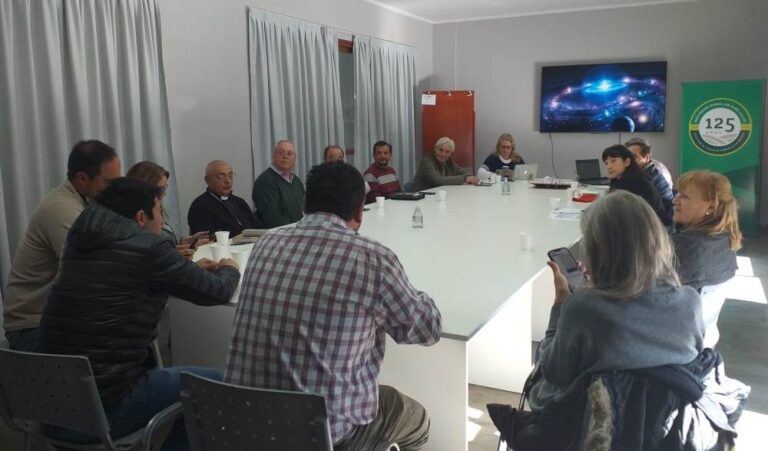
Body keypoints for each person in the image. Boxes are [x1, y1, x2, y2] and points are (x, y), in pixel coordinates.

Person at [226, 161, 442, 450]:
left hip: (245, 428)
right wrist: (420, 295)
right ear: (359, 211)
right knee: (416, 418)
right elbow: (427, 329)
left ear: (304, 203)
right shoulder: (372, 259)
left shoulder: (265, 243)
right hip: (320, 437)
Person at [36, 177, 241, 450]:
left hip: (48, 404)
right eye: (159, 212)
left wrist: (181, 270)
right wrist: (230, 268)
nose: (162, 220)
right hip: (102, 409)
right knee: (215, 387)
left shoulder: (80, 240)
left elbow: (125, 281)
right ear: (141, 217)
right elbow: (216, 291)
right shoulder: (149, 248)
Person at [528, 190, 704, 411]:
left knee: (543, 352)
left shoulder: (582, 308)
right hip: (662, 419)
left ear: (596, 248)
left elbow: (554, 371)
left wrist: (560, 305)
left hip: (592, 422)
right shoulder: (690, 301)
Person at [3, 140, 121, 351]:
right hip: (34, 326)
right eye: (109, 183)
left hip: (54, 321)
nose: (115, 191)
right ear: (82, 179)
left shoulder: (85, 203)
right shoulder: (62, 209)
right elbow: (94, 269)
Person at [672, 170, 740, 292]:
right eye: (677, 194)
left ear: (710, 207)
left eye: (684, 196)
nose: (675, 201)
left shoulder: (687, 245)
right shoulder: (727, 240)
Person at [127, 161, 208, 258]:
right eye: (161, 189)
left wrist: (187, 242)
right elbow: (149, 256)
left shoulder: (156, 208)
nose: (164, 194)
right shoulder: (140, 215)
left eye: (165, 188)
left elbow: (163, 246)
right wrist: (174, 256)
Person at [188, 160, 263, 236]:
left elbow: (258, 228)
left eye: (230, 176)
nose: (228, 181)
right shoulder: (200, 206)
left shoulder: (239, 202)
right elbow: (206, 239)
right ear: (207, 180)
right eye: (221, 177)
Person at [602, 144, 672, 226]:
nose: (609, 166)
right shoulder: (627, 179)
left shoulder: (635, 183)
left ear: (627, 162)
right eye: (606, 163)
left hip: (649, 228)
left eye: (613, 161)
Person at [252, 140, 305, 228]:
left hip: (297, 232)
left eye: (289, 153)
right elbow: (272, 217)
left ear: (294, 158)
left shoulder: (296, 181)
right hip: (277, 235)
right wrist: (297, 231)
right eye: (281, 152)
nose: (285, 156)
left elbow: (303, 210)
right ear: (274, 156)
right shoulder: (265, 181)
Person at [625, 137, 674, 214]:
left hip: (659, 221)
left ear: (647, 158)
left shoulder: (648, 177)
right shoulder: (645, 172)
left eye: (633, 157)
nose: (628, 161)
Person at [411, 137, 479, 192]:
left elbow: (461, 171)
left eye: (447, 152)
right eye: (441, 150)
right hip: (420, 198)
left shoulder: (448, 161)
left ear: (450, 154)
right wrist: (465, 178)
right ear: (435, 149)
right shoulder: (426, 161)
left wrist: (470, 177)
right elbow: (439, 180)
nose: (443, 154)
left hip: (436, 196)